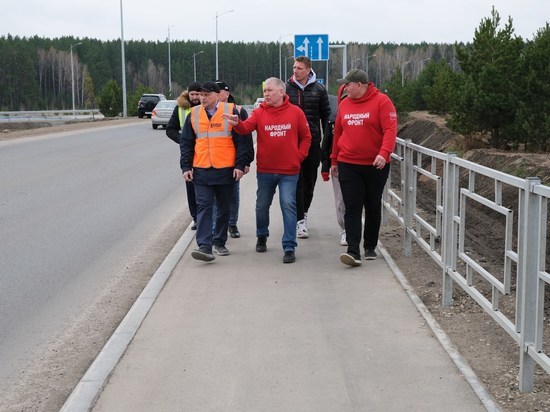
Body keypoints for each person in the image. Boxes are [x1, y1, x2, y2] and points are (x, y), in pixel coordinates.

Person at [223, 77, 311, 264]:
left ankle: (289, 246)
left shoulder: (296, 112)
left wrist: (299, 156)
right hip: (266, 170)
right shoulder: (260, 112)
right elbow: (246, 128)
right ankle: (261, 235)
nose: (266, 94)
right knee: (262, 206)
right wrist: (237, 123)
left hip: (289, 170)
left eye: (270, 90)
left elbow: (306, 137)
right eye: (264, 91)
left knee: (288, 205)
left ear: (281, 91)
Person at [180, 81, 254, 262]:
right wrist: (186, 166)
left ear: (216, 95)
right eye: (200, 95)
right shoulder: (194, 114)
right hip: (201, 170)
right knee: (204, 206)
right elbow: (187, 143)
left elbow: (243, 141)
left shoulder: (230, 112)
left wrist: (240, 165)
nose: (202, 98)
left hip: (225, 170)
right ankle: (204, 246)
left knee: (223, 208)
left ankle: (219, 241)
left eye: (206, 95)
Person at [331, 69, 397, 267]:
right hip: (348, 163)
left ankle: (369, 246)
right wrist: (334, 160)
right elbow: (338, 134)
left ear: (358, 85)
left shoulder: (382, 101)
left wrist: (384, 154)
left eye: (347, 85)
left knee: (372, 204)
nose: (344, 88)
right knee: (352, 206)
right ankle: (353, 250)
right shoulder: (345, 104)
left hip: (375, 164)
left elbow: (390, 130)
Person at [286, 56, 331, 239]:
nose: (295, 71)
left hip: (312, 143)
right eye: (294, 67)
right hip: (290, 143)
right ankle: (298, 220)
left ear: (308, 70)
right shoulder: (286, 89)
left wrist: (326, 145)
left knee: (309, 183)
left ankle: (303, 214)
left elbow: (327, 119)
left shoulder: (319, 90)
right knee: (295, 182)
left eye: (299, 68)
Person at [210, 80, 253, 239]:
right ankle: (216, 227)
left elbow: (246, 137)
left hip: (234, 161)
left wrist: (246, 162)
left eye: (217, 91)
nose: (214, 93)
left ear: (226, 93)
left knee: (233, 194)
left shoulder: (238, 111)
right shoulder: (209, 112)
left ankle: (232, 224)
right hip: (214, 162)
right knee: (215, 197)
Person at [166, 82, 202, 230]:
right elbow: (170, 129)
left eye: (197, 94)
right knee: (191, 187)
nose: (194, 97)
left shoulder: (207, 107)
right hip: (189, 154)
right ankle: (196, 218)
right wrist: (183, 139)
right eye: (192, 94)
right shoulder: (180, 108)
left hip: (207, 152)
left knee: (207, 188)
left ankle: (208, 218)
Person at [321, 83, 348, 246]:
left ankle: (356, 228)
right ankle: (344, 229)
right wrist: (325, 167)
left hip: (358, 164)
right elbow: (327, 144)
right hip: (337, 164)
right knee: (341, 200)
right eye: (343, 98)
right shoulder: (332, 120)